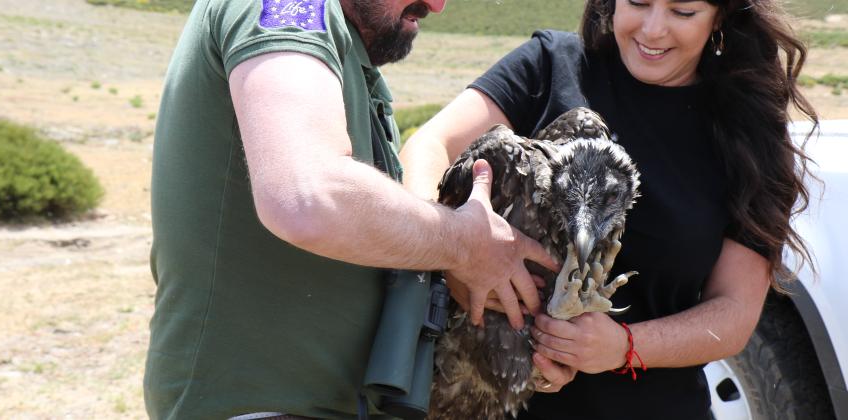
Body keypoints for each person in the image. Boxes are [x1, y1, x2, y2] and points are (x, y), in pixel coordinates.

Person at [144, 0, 564, 417]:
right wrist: (464, 243)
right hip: (256, 404)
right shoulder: (288, 6)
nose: (436, 6)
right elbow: (307, 196)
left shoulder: (344, 49)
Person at [400, 0, 818, 418]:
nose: (653, 30)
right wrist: (457, 250)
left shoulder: (748, 133)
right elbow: (428, 147)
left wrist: (622, 346)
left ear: (720, 17)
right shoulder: (552, 66)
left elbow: (734, 314)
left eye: (683, 12)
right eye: (638, 2)